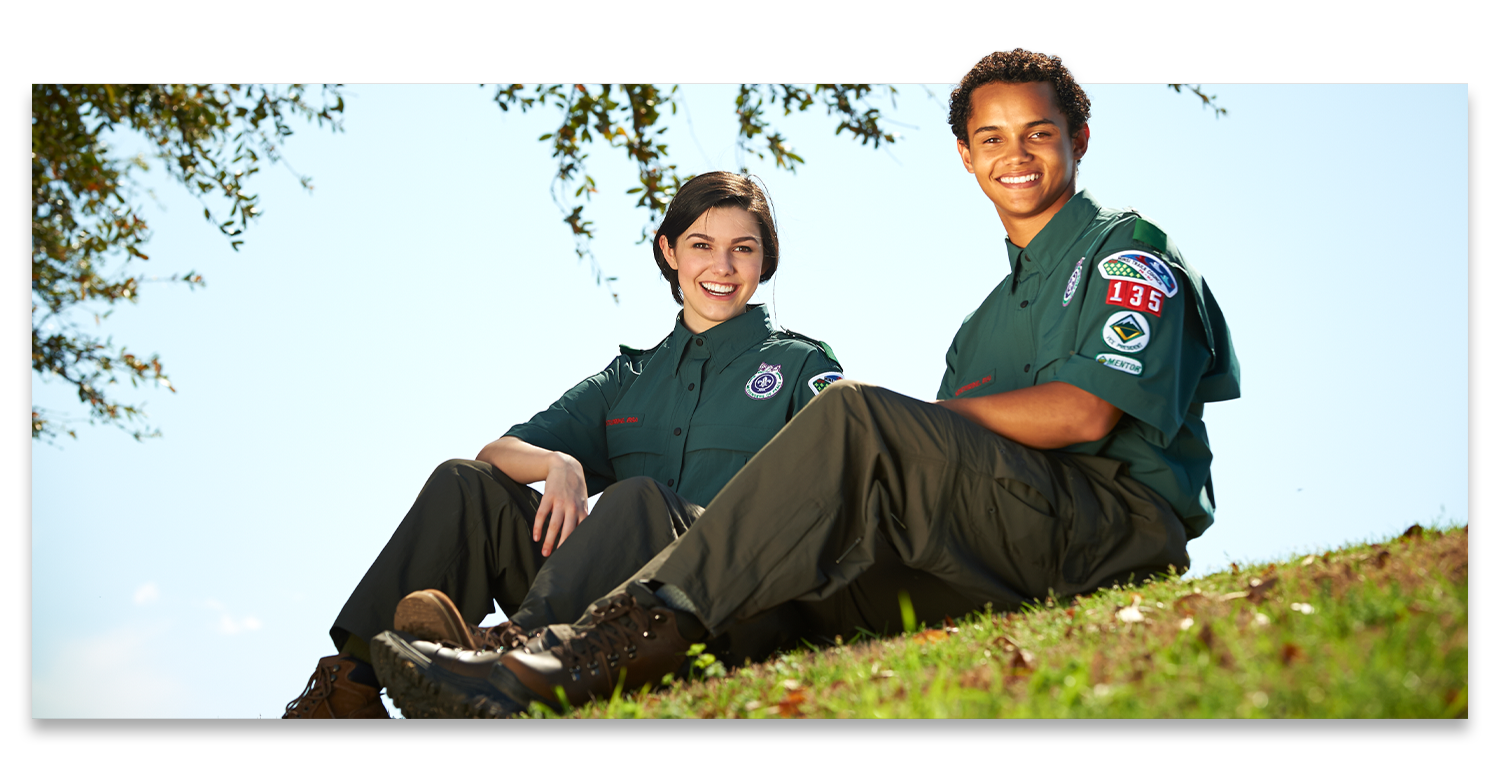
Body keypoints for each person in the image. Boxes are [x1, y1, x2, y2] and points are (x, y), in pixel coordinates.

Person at [371, 49, 1242, 719]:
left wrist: (914, 426)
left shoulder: (1123, 250)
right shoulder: (978, 328)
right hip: (999, 544)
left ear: (1078, 140)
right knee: (821, 577)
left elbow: (1085, 411)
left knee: (851, 418)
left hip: (1108, 527)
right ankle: (388, 673)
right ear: (966, 157)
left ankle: (557, 657)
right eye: (991, 138)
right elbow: (923, 484)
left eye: (1038, 134)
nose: (1015, 156)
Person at [281, 171, 844, 718]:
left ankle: (515, 655)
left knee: (637, 498)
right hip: (603, 601)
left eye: (741, 248)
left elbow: (841, 484)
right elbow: (496, 453)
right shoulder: (630, 378)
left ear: (764, 260)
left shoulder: (799, 365)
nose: (721, 267)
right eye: (702, 244)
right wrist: (560, 462)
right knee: (466, 484)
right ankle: (348, 692)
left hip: (721, 602)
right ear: (669, 251)